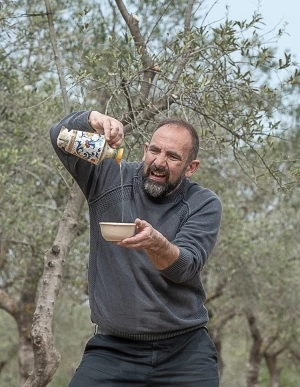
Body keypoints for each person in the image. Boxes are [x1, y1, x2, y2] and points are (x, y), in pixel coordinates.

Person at [49, 110, 222, 386]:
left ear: (191, 167)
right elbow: (58, 137)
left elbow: (184, 267)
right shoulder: (108, 175)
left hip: (184, 353)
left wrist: (156, 244)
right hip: (112, 350)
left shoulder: (203, 203)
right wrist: (92, 119)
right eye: (154, 150)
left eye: (173, 156)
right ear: (145, 150)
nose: (159, 162)